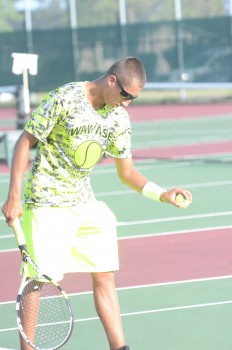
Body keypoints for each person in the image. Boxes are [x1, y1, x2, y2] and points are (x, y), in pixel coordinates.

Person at [2, 56, 192, 350]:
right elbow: (25, 141)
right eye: (126, 95)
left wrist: (162, 193)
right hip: (46, 202)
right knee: (36, 281)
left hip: (84, 202)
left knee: (105, 274)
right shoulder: (65, 98)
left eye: (134, 99)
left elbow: (126, 172)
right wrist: (14, 195)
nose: (127, 103)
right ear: (112, 81)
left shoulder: (118, 118)